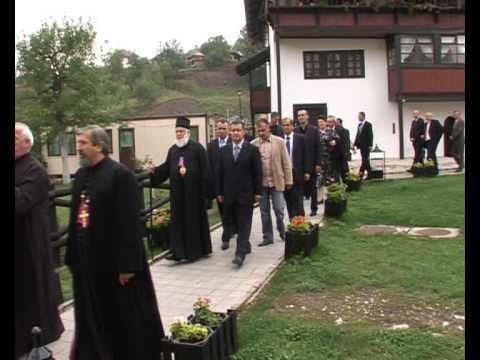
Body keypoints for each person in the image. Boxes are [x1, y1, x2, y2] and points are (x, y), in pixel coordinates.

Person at [65, 125, 164, 360]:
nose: (78, 148)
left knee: (120, 316)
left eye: (83, 143)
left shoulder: (121, 176)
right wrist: (72, 255)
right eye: (78, 143)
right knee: (91, 313)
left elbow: (129, 223)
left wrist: (127, 265)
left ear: (99, 145)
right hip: (87, 263)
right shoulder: (81, 175)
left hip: (114, 265)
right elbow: (75, 217)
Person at [15, 123, 64, 360]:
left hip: (28, 246)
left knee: (29, 297)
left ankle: (32, 343)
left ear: (27, 143)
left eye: (15, 138)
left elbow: (21, 203)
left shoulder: (35, 170)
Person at [148, 117, 212, 261]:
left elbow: (206, 172)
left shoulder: (198, 149)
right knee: (178, 223)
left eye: (181, 131)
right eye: (176, 131)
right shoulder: (173, 150)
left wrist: (206, 194)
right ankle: (178, 252)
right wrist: (154, 172)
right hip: (177, 194)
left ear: (188, 132)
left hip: (194, 195)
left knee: (193, 223)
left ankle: (194, 253)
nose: (178, 134)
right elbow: (166, 168)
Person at [217, 120, 263, 266]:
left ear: (244, 132)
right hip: (229, 194)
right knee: (233, 223)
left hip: (246, 194)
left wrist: (258, 192)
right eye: (233, 130)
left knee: (244, 223)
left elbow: (257, 173)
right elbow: (219, 173)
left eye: (238, 130)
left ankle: (240, 253)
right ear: (230, 132)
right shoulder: (223, 150)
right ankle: (246, 245)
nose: (235, 133)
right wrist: (219, 192)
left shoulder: (252, 150)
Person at [252, 118, 293, 246]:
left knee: (279, 209)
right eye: (258, 131)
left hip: (277, 181)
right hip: (261, 184)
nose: (261, 133)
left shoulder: (279, 142)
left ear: (269, 129)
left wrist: (289, 179)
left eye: (263, 130)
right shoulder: (253, 144)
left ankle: (281, 230)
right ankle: (267, 237)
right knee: (264, 212)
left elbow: (286, 162)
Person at [207, 118, 232, 249]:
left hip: (233, 184)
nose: (221, 131)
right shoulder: (211, 146)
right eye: (219, 128)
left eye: (223, 128)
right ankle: (226, 235)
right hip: (218, 185)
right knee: (223, 211)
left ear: (228, 129)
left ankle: (231, 232)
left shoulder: (234, 142)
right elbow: (209, 166)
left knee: (233, 211)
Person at [281, 117, 311, 220]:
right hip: (284, 175)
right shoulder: (279, 140)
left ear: (292, 126)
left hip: (297, 172)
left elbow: (307, 155)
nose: (285, 127)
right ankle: (292, 220)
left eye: (287, 125)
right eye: (284, 125)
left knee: (298, 199)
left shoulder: (301, 138)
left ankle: (301, 221)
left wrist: (307, 171)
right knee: (288, 199)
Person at [295, 109, 322, 216]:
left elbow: (319, 147)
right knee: (299, 189)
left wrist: (318, 163)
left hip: (312, 162)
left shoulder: (314, 130)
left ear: (307, 116)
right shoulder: (295, 131)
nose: (301, 117)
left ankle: (314, 208)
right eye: (299, 115)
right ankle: (300, 211)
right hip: (299, 164)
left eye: (303, 115)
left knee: (312, 187)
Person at [353, 111, 374, 180]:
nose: (358, 117)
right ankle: (369, 174)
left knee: (365, 160)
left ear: (363, 116)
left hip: (366, 145)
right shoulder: (359, 125)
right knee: (365, 160)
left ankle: (360, 175)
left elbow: (370, 135)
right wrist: (355, 144)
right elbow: (358, 135)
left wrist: (370, 145)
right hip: (361, 145)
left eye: (359, 116)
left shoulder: (368, 124)